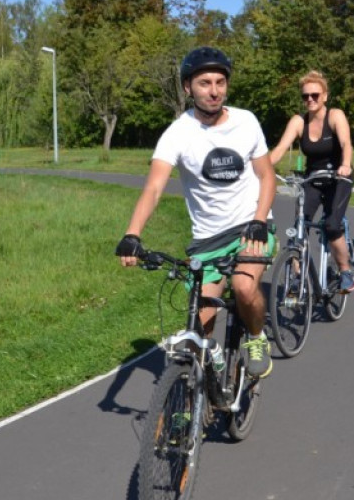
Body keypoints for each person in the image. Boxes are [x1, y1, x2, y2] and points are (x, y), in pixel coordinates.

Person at [116, 47, 276, 379]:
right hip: (207, 239)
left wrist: (260, 220)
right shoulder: (178, 133)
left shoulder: (246, 122)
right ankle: (195, 398)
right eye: (205, 83)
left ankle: (257, 337)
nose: (214, 90)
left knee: (245, 288)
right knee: (197, 330)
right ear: (188, 87)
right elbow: (154, 187)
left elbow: (266, 175)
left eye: (220, 82)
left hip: (251, 225)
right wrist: (133, 234)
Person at [268, 70, 354, 293]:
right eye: (305, 96)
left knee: (332, 225)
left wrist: (345, 165)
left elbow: (346, 144)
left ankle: (346, 272)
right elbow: (279, 148)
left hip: (339, 176)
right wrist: (262, 168)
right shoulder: (299, 121)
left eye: (315, 95)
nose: (310, 100)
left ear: (325, 96)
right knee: (298, 228)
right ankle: (298, 277)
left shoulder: (335, 115)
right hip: (312, 178)